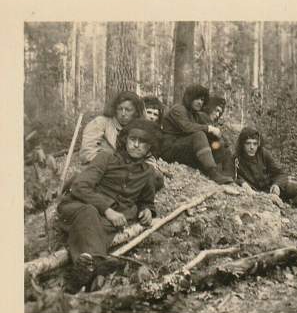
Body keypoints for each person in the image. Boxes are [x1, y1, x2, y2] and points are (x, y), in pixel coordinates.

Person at [57, 119, 159, 293]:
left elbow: (146, 201)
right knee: (89, 213)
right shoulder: (106, 157)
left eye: (143, 142)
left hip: (108, 222)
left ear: (149, 147)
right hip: (78, 208)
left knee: (97, 228)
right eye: (133, 139)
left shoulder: (148, 173)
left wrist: (147, 210)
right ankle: (98, 265)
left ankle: (81, 277)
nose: (136, 145)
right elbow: (80, 186)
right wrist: (107, 209)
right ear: (125, 139)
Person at [231, 127, 297, 207]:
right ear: (242, 144)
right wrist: (242, 183)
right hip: (257, 193)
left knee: (294, 189)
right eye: (248, 143)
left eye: (255, 144)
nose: (252, 147)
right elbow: (231, 176)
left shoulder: (263, 153)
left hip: (271, 188)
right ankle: (296, 201)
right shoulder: (236, 158)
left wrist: (276, 185)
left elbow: (281, 173)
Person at [160, 85, 233, 184]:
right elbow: (187, 127)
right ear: (189, 98)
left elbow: (208, 129)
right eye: (196, 98)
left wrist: (218, 138)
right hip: (170, 149)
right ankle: (212, 172)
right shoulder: (178, 109)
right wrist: (209, 129)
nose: (200, 102)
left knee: (218, 144)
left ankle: (227, 176)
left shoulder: (195, 114)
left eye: (202, 99)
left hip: (184, 149)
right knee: (199, 135)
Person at [79, 91, 143, 165]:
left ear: (136, 112)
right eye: (120, 109)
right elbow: (87, 153)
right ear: (115, 109)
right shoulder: (100, 123)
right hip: (100, 168)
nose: (123, 114)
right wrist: (112, 165)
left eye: (128, 110)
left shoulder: (139, 128)